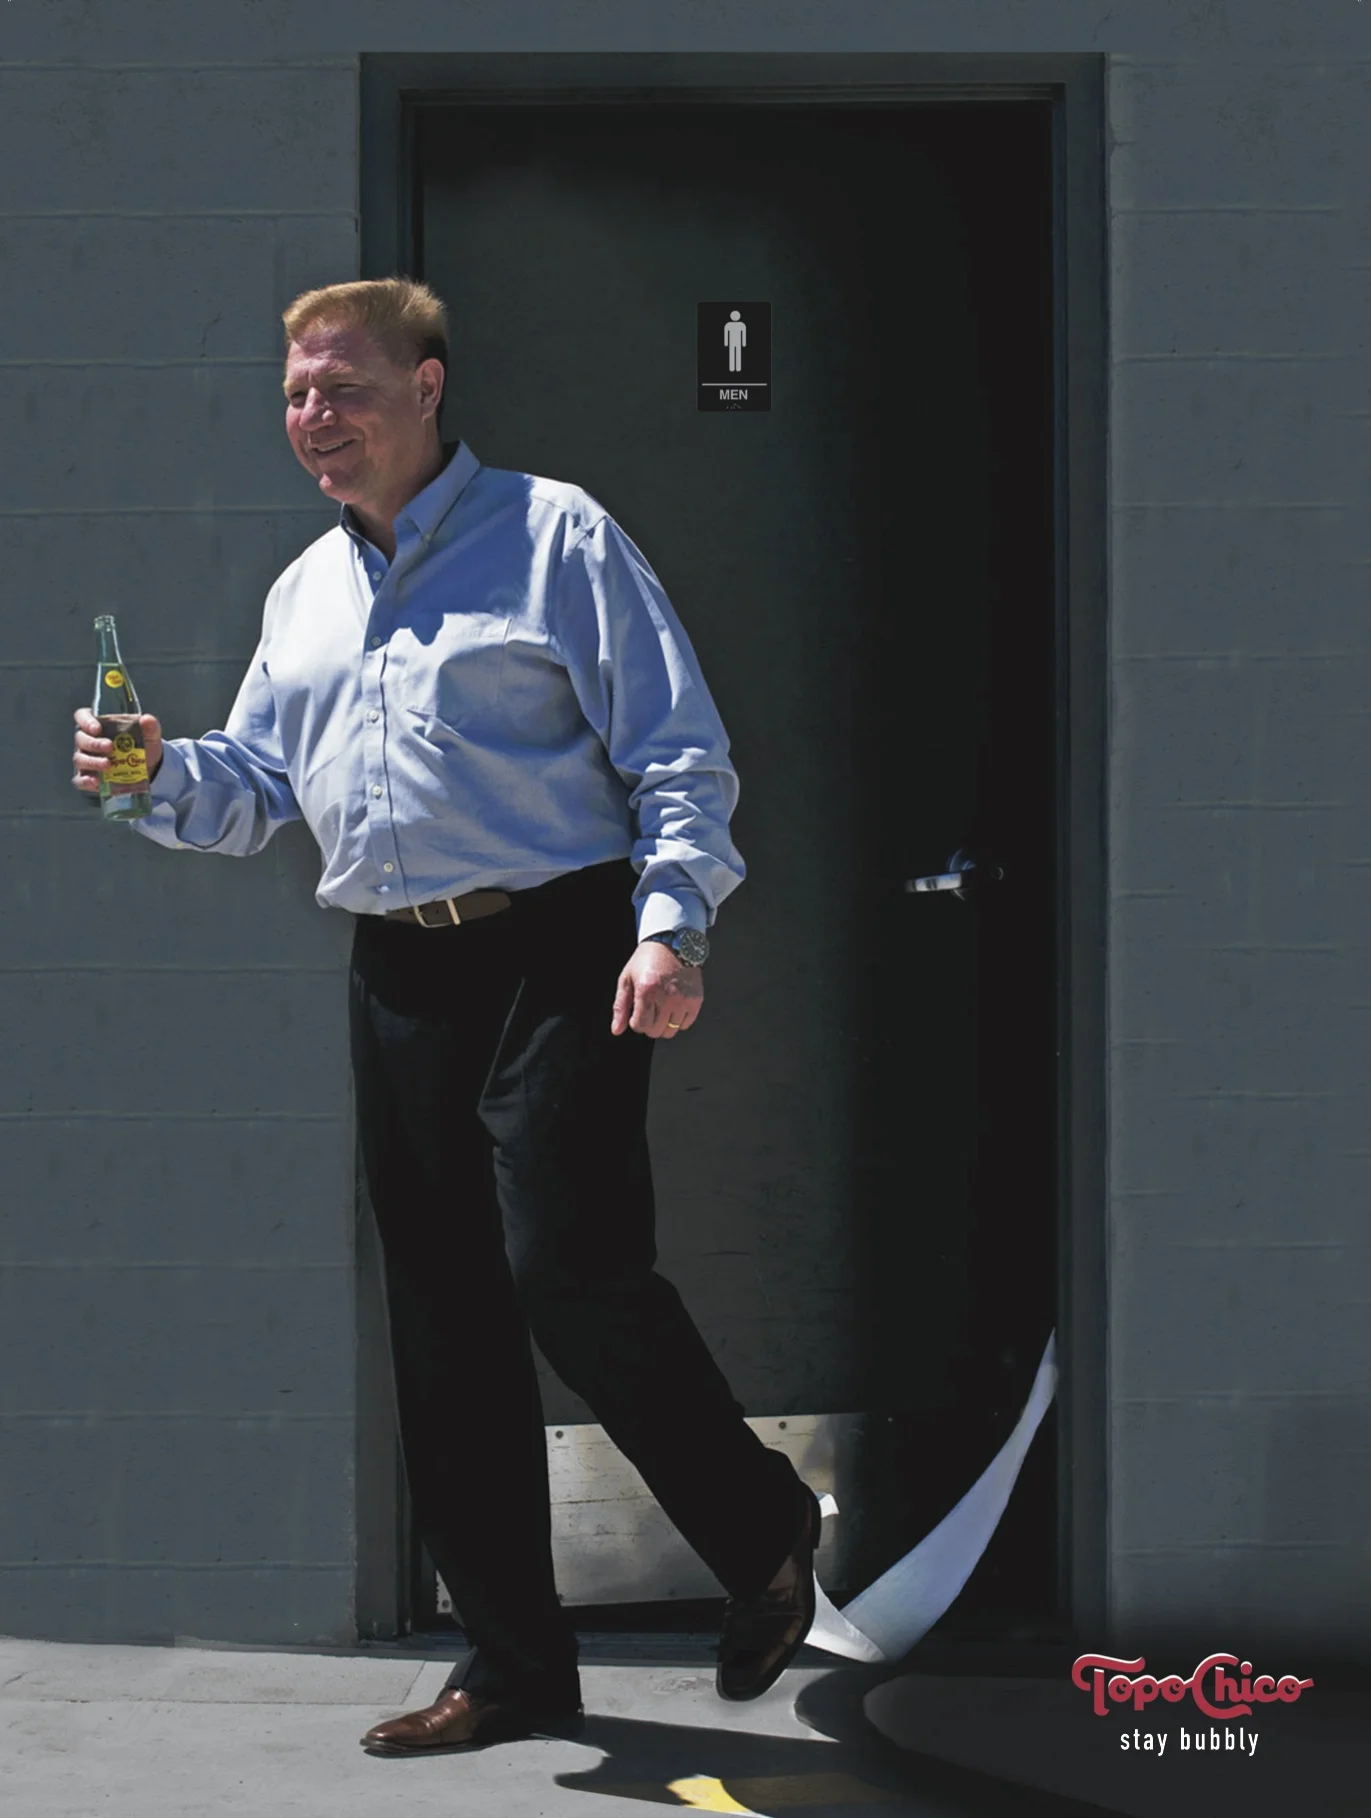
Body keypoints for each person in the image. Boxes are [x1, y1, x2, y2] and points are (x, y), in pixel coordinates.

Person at [71, 277, 820, 1756]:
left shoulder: (555, 535)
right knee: (443, 1313)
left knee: (568, 1268)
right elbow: (260, 787)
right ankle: (517, 1664)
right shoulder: (305, 591)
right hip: (400, 967)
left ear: (426, 387)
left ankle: (761, 1524)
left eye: (344, 388)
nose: (314, 417)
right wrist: (157, 772)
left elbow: (677, 750)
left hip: (561, 942)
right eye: (297, 392)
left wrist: (671, 925)